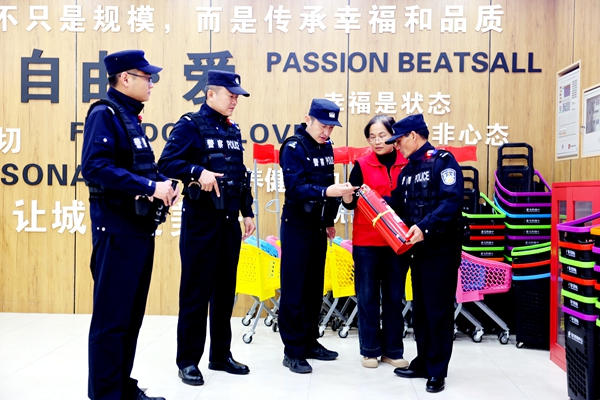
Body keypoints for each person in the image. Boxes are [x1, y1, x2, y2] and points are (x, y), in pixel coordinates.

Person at [82, 50, 179, 400]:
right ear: (125, 78)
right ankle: (106, 394)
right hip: (116, 231)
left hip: (137, 231)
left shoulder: (129, 118)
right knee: (111, 321)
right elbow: (94, 167)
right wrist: (149, 187)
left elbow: (135, 169)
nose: (151, 83)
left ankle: (121, 387)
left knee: (129, 317)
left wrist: (162, 184)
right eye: (146, 77)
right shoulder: (104, 114)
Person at [157, 70, 255, 386]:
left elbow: (239, 173)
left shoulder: (232, 129)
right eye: (230, 95)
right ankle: (188, 361)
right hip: (201, 222)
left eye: (237, 96)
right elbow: (166, 163)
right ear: (210, 94)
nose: (235, 100)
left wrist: (247, 211)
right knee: (196, 293)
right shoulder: (190, 125)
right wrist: (197, 171)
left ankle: (220, 355)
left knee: (225, 292)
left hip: (229, 221)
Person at [384, 114, 463, 393]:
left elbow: (451, 201)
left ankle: (437, 371)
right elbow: (399, 205)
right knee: (420, 310)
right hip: (416, 250)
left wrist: (425, 227)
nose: (396, 146)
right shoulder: (407, 171)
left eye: (399, 140)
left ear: (413, 136)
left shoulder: (443, 161)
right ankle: (422, 362)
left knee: (438, 310)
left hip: (440, 249)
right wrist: (372, 199)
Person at [278, 99, 357, 374]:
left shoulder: (326, 147)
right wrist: (326, 193)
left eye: (331, 127)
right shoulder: (293, 147)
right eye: (323, 125)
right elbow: (295, 188)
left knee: (313, 288)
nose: (327, 132)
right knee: (295, 288)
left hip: (318, 226)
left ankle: (310, 342)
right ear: (308, 119)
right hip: (297, 225)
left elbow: (326, 182)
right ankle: (292, 350)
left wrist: (328, 221)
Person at [341, 115, 410, 369]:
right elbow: (350, 204)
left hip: (398, 242)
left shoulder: (407, 162)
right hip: (367, 242)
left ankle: (393, 351)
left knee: (394, 297)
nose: (377, 141)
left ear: (394, 136)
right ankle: (369, 350)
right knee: (367, 296)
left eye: (382, 136)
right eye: (372, 137)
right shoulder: (361, 164)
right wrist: (346, 197)